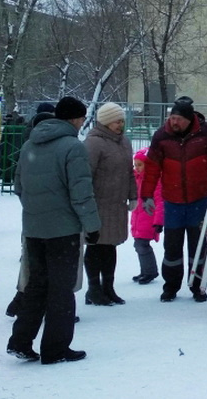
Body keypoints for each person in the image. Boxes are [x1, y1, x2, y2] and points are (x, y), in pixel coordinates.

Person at [6, 96, 100, 364]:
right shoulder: (73, 147)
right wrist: (92, 226)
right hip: (63, 232)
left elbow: (19, 187)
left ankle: (21, 342)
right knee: (61, 291)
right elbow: (81, 194)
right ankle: (55, 348)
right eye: (81, 118)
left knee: (36, 286)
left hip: (34, 230)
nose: (83, 123)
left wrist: (37, 213)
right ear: (73, 119)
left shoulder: (28, 145)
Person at [140, 96, 207, 303]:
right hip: (172, 200)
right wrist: (147, 194)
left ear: (189, 119)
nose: (174, 122)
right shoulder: (161, 136)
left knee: (198, 246)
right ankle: (171, 286)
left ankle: (197, 286)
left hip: (199, 198)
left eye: (178, 118)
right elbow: (151, 168)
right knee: (172, 247)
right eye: (172, 117)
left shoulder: (206, 133)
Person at [6, 104, 58, 318]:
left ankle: (21, 301)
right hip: (50, 213)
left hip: (34, 212)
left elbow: (19, 183)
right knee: (41, 266)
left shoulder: (29, 143)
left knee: (33, 262)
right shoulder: (46, 146)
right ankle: (25, 303)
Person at [83, 103, 138, 306]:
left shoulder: (124, 142)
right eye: (117, 121)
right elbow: (85, 175)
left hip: (116, 204)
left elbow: (129, 172)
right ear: (105, 121)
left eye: (122, 120)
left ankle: (108, 287)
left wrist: (133, 195)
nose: (120, 125)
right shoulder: (94, 143)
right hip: (98, 204)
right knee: (95, 246)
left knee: (110, 246)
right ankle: (93, 289)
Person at [131, 148, 164, 285]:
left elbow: (160, 201)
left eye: (140, 165)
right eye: (135, 165)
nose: (137, 168)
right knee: (139, 245)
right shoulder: (137, 178)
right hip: (139, 218)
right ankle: (146, 271)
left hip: (148, 219)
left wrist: (158, 221)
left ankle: (150, 271)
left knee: (142, 245)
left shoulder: (154, 181)